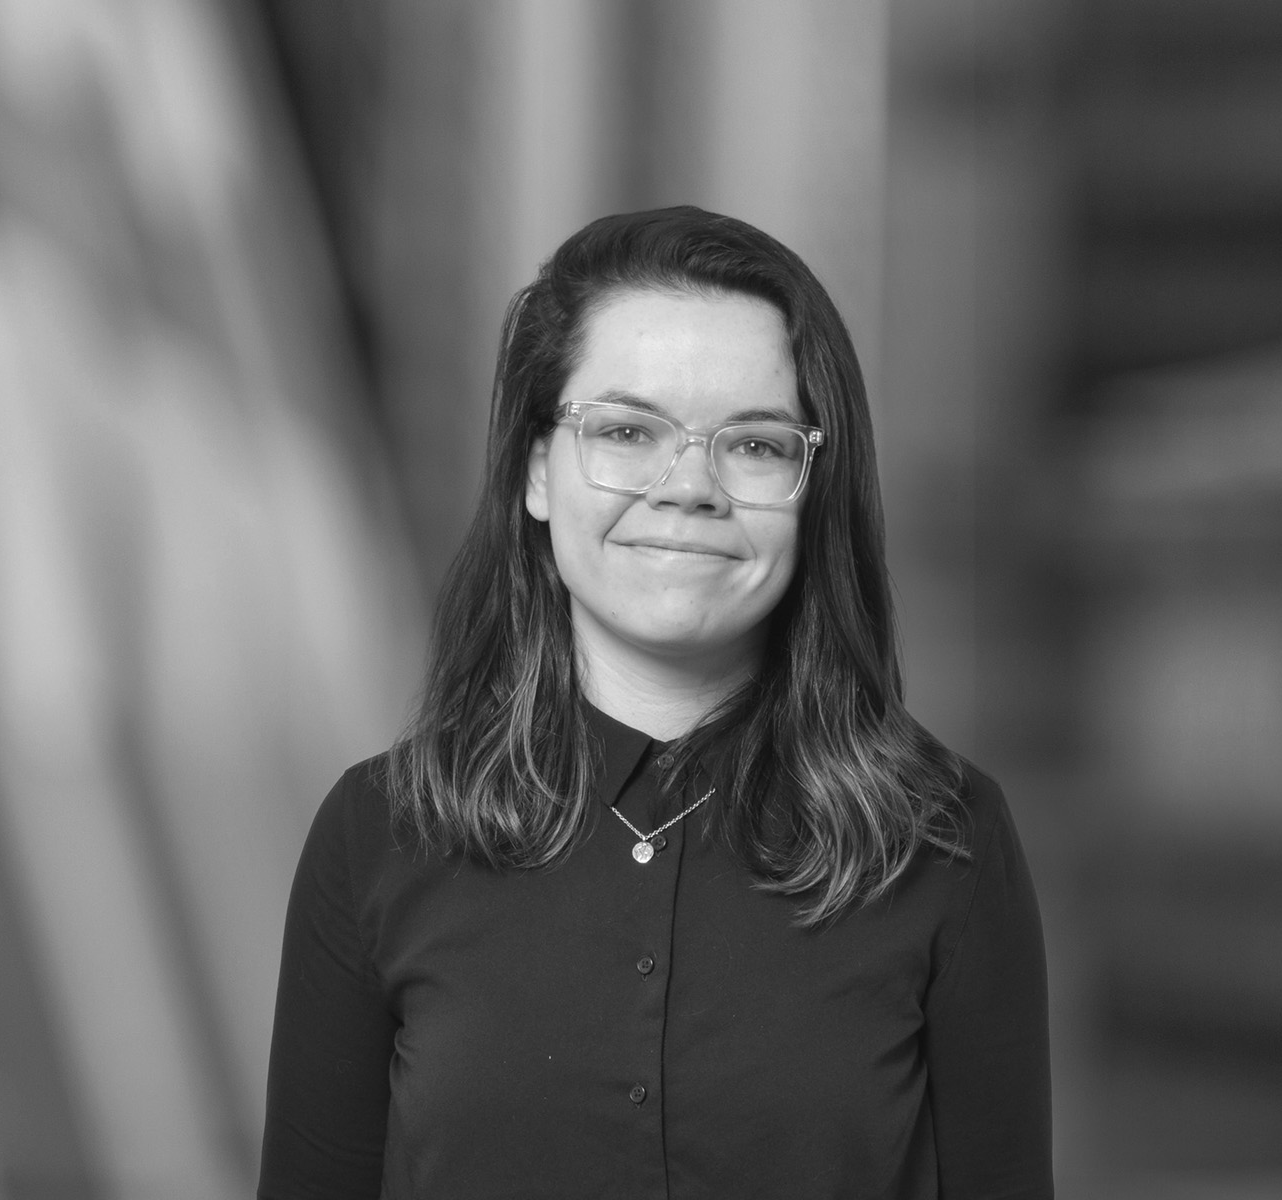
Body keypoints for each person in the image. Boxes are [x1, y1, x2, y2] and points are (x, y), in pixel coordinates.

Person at [259, 206, 1049, 1199]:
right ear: (537, 471)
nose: (689, 488)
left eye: (755, 445)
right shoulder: (378, 832)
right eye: (628, 431)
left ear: (815, 487)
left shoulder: (944, 841)